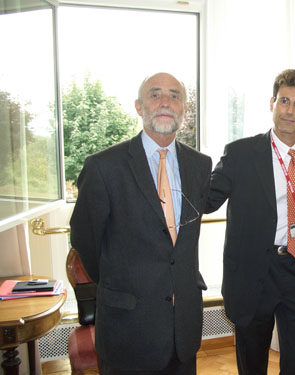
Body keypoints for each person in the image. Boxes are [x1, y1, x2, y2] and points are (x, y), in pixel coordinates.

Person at [70, 72, 212, 375]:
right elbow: (85, 239)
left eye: (175, 96)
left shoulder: (200, 166)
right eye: (155, 94)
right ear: (138, 106)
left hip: (183, 325)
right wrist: (122, 282)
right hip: (127, 326)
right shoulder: (104, 167)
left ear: (184, 110)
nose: (165, 102)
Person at [206, 69, 295, 375]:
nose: (290, 110)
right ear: (271, 102)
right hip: (255, 272)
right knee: (252, 360)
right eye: (284, 101)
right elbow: (207, 201)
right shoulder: (241, 154)